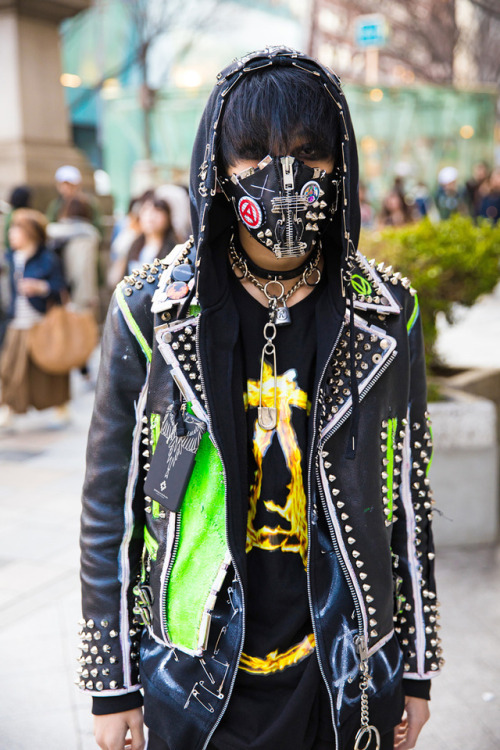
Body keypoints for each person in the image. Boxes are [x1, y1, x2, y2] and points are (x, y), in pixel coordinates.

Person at [79, 48, 442, 750]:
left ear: (341, 164)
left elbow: (408, 501)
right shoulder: (152, 309)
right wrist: (111, 680)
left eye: (310, 152)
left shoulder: (389, 312)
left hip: (344, 673)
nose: (284, 176)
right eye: (252, 153)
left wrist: (418, 670)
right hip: (189, 667)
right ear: (216, 162)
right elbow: (110, 505)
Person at [0, 208, 69, 428]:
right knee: (10, 369)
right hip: (15, 322)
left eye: (16, 229)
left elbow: (61, 288)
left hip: (40, 322)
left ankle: (61, 407)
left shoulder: (48, 258)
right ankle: (8, 409)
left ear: (30, 232)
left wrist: (41, 287)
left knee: (50, 369)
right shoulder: (9, 258)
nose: (11, 234)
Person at [47, 194, 101, 313]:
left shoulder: (53, 233)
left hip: (56, 291)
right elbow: (84, 268)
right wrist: (89, 296)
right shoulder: (87, 235)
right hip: (78, 294)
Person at [124, 190, 179, 276]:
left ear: (168, 217)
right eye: (146, 210)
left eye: (157, 211)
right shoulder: (135, 245)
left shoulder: (175, 250)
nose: (150, 216)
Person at [46, 165, 103, 237]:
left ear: (78, 185)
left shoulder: (90, 203)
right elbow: (50, 223)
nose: (66, 188)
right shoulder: (56, 205)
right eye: (63, 184)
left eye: (70, 185)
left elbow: (98, 226)